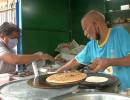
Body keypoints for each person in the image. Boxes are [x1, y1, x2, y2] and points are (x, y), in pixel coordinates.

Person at [56, 10, 130, 90]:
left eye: (85, 28)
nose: (85, 33)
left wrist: (109, 62)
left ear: (96, 24)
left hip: (125, 91)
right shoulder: (91, 45)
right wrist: (56, 73)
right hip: (105, 91)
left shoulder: (119, 33)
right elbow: (75, 61)